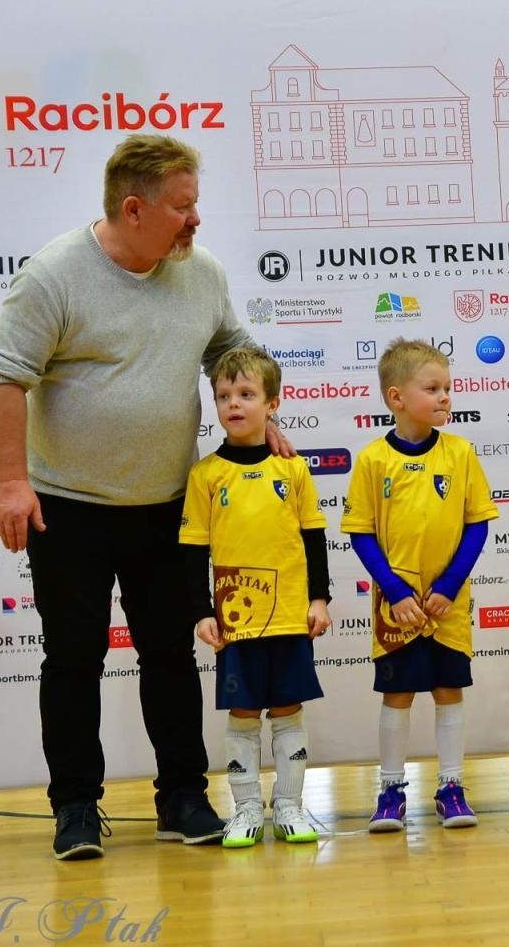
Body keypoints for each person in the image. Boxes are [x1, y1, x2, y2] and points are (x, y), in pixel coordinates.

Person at [0, 133, 265, 860]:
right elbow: (4, 377)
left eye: (196, 203)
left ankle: (183, 797)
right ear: (134, 209)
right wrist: (11, 482)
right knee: (72, 659)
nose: (195, 219)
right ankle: (76, 808)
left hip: (167, 504)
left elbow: (232, 352)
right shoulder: (54, 275)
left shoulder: (199, 273)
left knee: (169, 655)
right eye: (182, 206)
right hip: (67, 506)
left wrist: (268, 420)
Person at [342, 338, 496, 831]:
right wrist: (394, 590)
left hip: (446, 607)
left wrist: (450, 585)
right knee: (399, 696)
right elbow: (361, 534)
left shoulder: (461, 453)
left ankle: (451, 786)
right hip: (398, 609)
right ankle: (390, 790)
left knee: (449, 690)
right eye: (432, 388)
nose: (445, 396)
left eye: (447, 387)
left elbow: (478, 525)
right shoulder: (372, 461)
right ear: (397, 397)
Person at [182, 347, 331, 847]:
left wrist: (320, 599)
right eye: (224, 396)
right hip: (236, 622)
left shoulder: (293, 470)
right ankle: (245, 809)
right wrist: (202, 611)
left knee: (287, 711)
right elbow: (192, 551)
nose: (233, 404)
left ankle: (289, 806)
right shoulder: (205, 476)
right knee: (243, 715)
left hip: (289, 617)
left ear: (272, 404)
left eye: (246, 394)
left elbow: (313, 539)